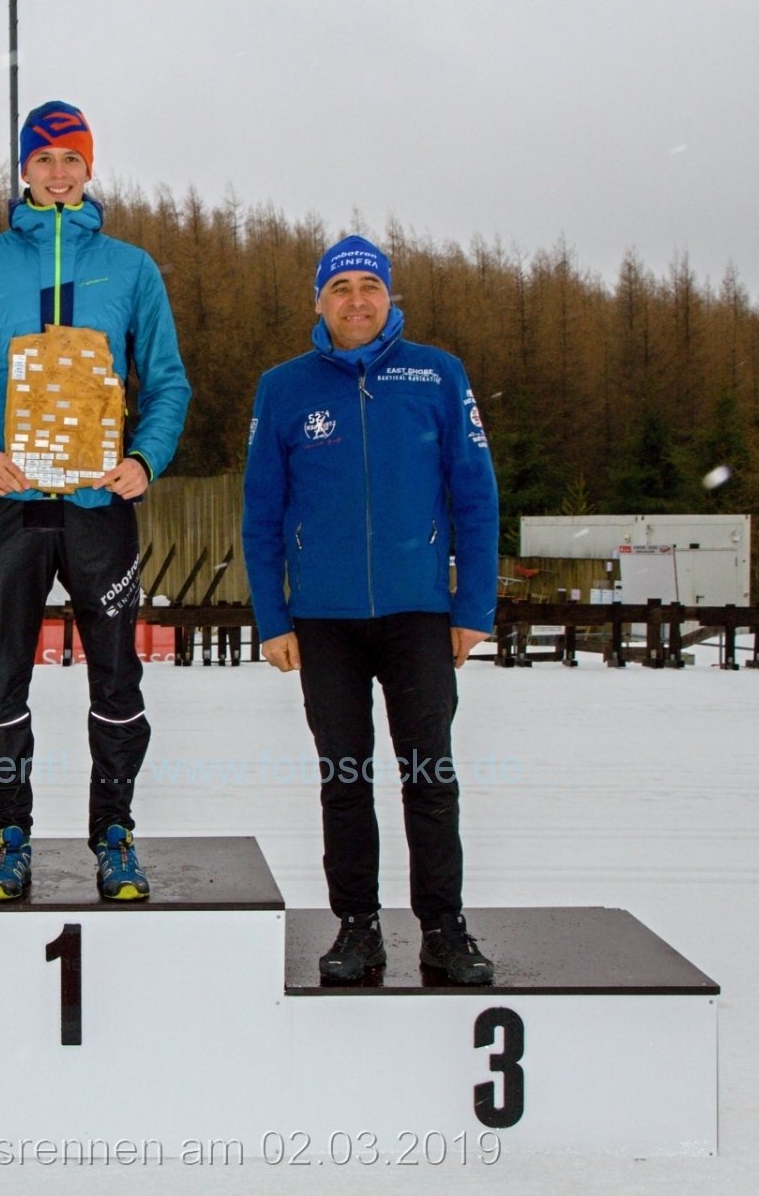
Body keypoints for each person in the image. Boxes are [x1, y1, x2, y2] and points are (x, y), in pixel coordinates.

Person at [0, 101, 192, 903]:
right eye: (45, 159)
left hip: (99, 503)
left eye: (72, 158)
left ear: (89, 167)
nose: (59, 172)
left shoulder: (132, 267)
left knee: (117, 676)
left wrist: (145, 457)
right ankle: (10, 832)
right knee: (2, 676)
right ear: (24, 170)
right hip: (12, 501)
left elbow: (167, 382)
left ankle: (116, 832)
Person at [241, 236, 500, 985]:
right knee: (345, 778)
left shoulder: (437, 374)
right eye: (341, 287)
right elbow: (261, 512)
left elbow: (476, 496)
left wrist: (472, 606)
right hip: (323, 621)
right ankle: (358, 927)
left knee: (430, 775)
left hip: (419, 614)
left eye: (370, 286)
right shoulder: (283, 387)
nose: (357, 299)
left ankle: (443, 929)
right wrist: (273, 618)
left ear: (390, 296)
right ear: (318, 301)